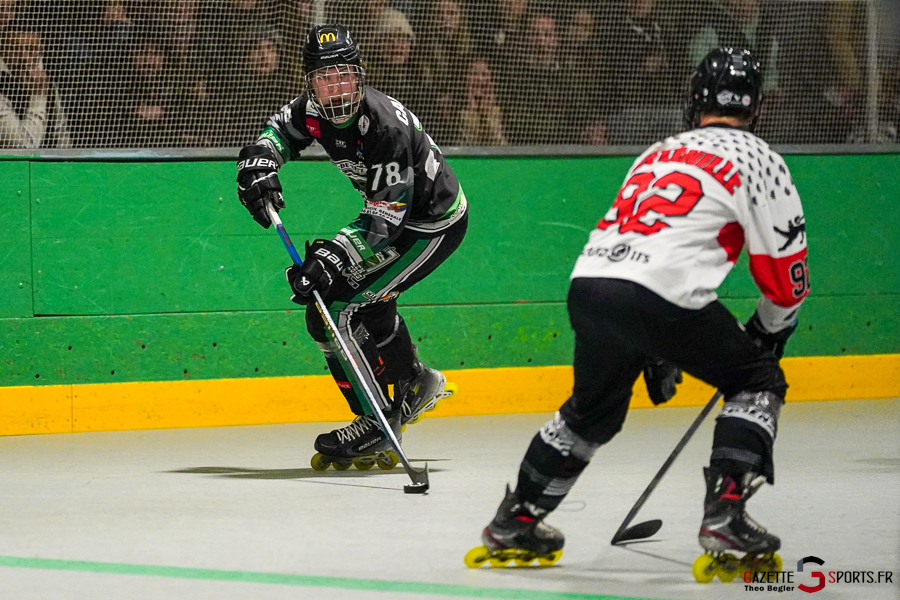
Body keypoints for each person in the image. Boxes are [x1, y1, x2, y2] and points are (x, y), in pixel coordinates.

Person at [469, 47, 809, 571]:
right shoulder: (760, 158)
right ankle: (726, 514)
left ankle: (518, 518)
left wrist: (656, 346)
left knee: (591, 412)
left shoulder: (660, 151)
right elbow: (786, 275)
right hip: (661, 292)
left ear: (695, 99)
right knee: (757, 382)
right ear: (755, 106)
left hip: (591, 283)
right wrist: (768, 333)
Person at [236, 24, 467, 469]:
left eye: (344, 74)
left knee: (333, 308)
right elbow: (279, 132)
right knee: (366, 302)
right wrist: (259, 163)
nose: (336, 86)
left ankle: (376, 421)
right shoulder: (311, 110)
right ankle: (414, 382)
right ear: (311, 83)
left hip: (429, 224)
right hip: (397, 219)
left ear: (359, 75)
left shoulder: (384, 128)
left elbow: (385, 219)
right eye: (325, 77)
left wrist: (330, 257)